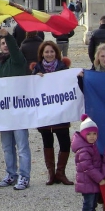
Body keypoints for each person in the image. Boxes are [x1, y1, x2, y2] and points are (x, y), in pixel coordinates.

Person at [0, 28, 32, 190]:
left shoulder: (18, 60)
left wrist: (7, 36)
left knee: (22, 146)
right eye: (2, 43)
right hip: (5, 112)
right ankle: (11, 173)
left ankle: (24, 176)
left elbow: (15, 51)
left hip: (18, 111)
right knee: (7, 146)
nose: (5, 46)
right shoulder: (0, 65)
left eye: (7, 43)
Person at [34, 41, 73, 186]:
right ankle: (51, 173)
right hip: (45, 113)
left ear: (56, 53)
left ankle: (60, 172)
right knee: (47, 141)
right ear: (42, 54)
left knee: (64, 141)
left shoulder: (63, 68)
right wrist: (35, 79)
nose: (49, 54)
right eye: (46, 52)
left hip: (60, 111)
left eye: (52, 52)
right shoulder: (37, 69)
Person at [71, 114, 105, 211]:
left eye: (94, 134)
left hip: (92, 182)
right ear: (83, 134)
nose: (92, 137)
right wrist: (100, 178)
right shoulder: (83, 150)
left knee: (93, 204)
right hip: (87, 182)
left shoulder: (91, 147)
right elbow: (88, 168)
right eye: (89, 134)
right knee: (88, 204)